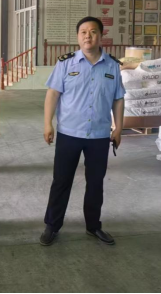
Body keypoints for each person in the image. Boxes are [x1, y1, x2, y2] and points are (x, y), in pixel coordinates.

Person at [40, 16, 125, 247]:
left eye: (93, 31)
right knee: (61, 181)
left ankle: (93, 225)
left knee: (96, 182)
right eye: (83, 32)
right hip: (69, 133)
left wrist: (118, 127)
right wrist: (48, 123)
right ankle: (52, 225)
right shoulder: (66, 63)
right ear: (78, 37)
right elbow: (52, 94)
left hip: (99, 135)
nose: (88, 36)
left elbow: (118, 99)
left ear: (101, 36)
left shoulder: (112, 66)